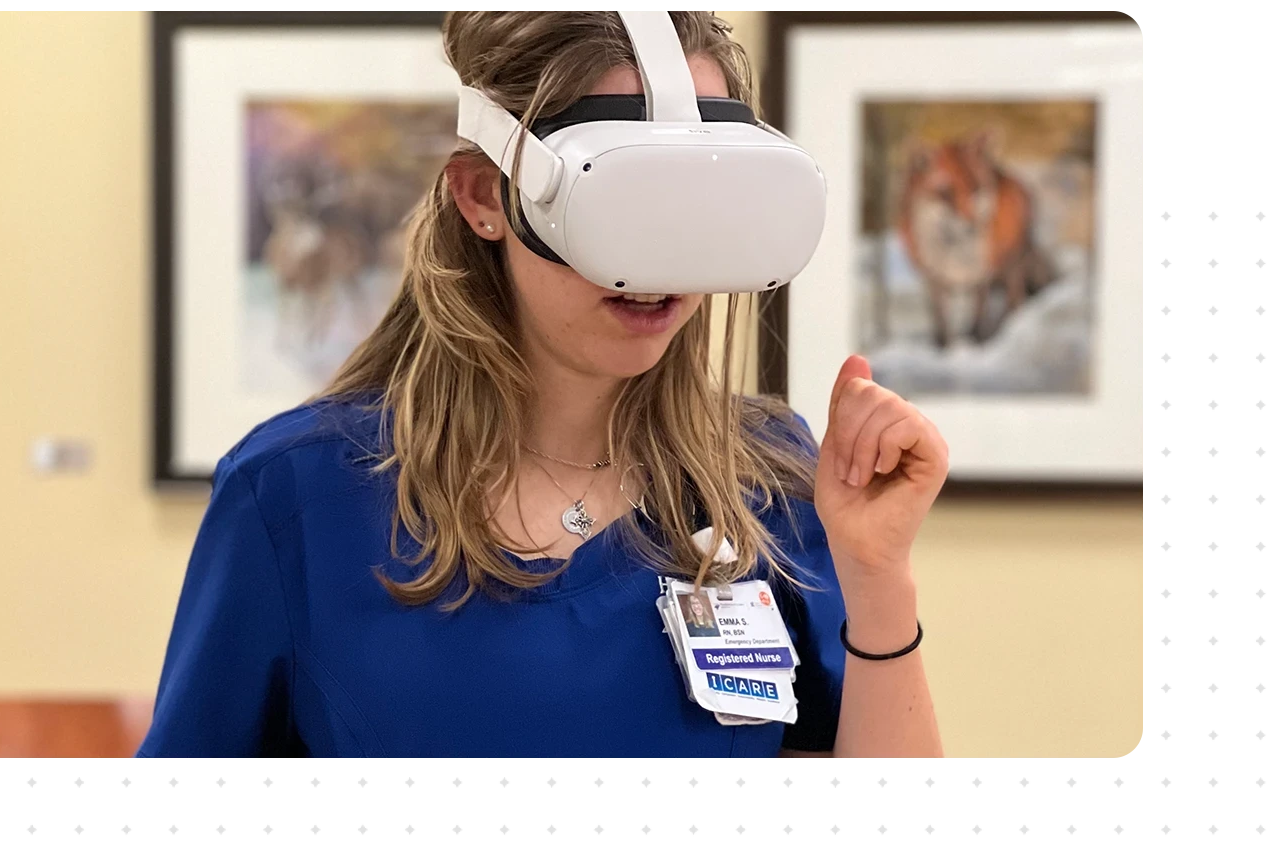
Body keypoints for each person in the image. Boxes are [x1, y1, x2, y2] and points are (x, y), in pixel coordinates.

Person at [134, 10, 947, 761]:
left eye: (695, 198)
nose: (654, 260)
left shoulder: (765, 475)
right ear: (485, 196)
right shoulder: (297, 494)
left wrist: (877, 576)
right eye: (619, 194)